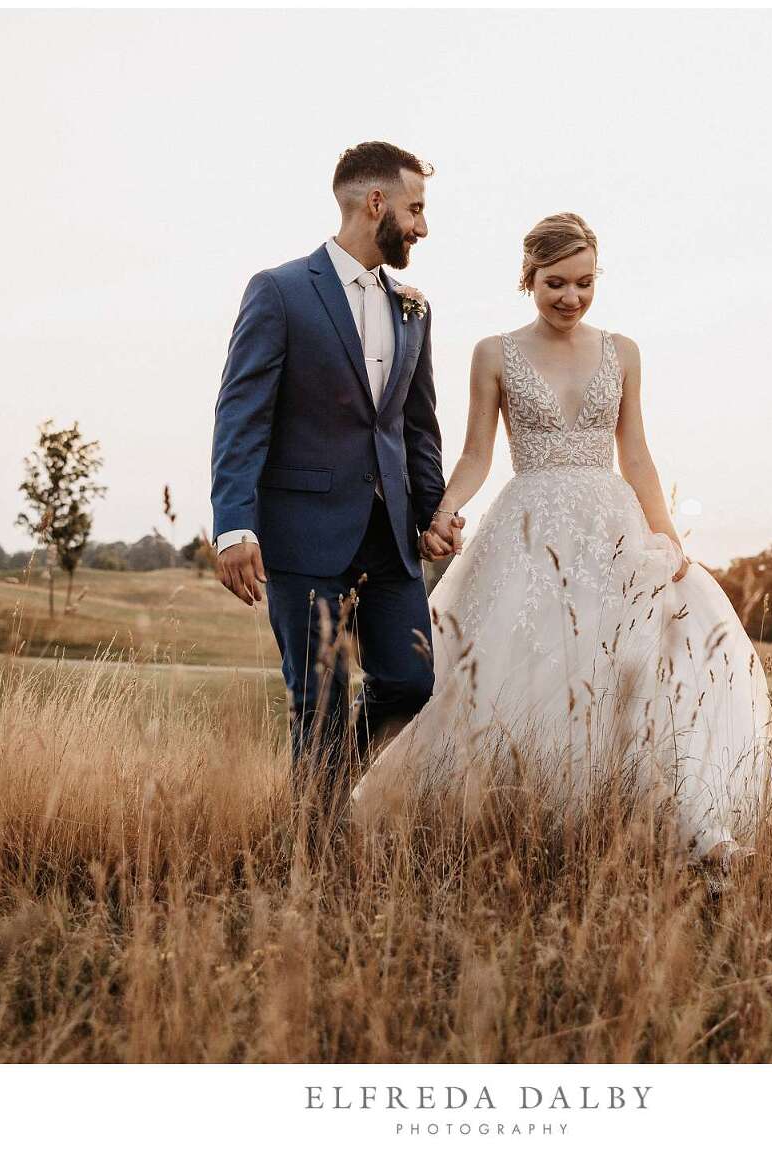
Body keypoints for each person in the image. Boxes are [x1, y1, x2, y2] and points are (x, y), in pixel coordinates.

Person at [353, 213, 772, 890]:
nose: (571, 297)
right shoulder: (494, 352)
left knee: (630, 678)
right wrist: (443, 508)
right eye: (556, 283)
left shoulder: (624, 351)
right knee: (520, 675)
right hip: (527, 530)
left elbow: (635, 453)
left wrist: (666, 536)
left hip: (611, 529)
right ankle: (510, 830)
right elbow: (475, 454)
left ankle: (677, 833)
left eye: (584, 283)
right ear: (530, 277)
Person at [210, 142, 462, 845]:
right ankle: (312, 841)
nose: (421, 227)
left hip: (391, 536)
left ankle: (317, 798)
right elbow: (242, 413)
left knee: (410, 684)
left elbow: (418, 423)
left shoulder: (414, 307)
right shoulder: (281, 290)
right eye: (415, 208)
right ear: (374, 203)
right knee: (316, 702)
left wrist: (435, 510)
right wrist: (234, 526)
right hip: (301, 530)